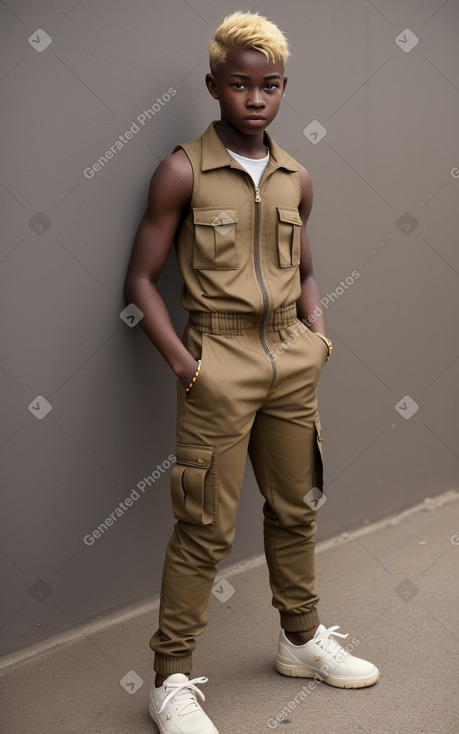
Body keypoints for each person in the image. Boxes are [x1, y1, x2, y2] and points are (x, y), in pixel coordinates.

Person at [124, 10, 379, 734]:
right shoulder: (181, 170)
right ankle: (169, 680)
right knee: (203, 525)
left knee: (295, 507)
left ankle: (300, 641)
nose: (255, 99)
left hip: (290, 360)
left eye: (268, 86)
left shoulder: (298, 175)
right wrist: (185, 363)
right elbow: (140, 281)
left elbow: (304, 269)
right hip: (219, 363)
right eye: (239, 85)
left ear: (282, 88)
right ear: (214, 87)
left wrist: (316, 335)